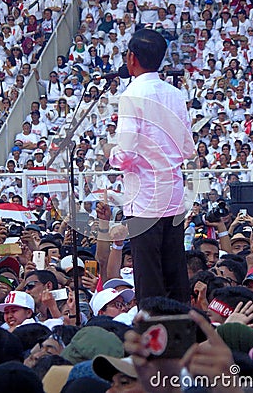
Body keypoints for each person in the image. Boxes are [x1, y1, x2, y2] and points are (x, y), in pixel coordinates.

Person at [109, 29, 196, 305]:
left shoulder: (132, 95)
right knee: (175, 274)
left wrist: (111, 155)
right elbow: (187, 149)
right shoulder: (175, 94)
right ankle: (181, 335)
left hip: (145, 199)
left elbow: (126, 152)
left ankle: (155, 340)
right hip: (172, 195)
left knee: (149, 280)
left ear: (131, 58)